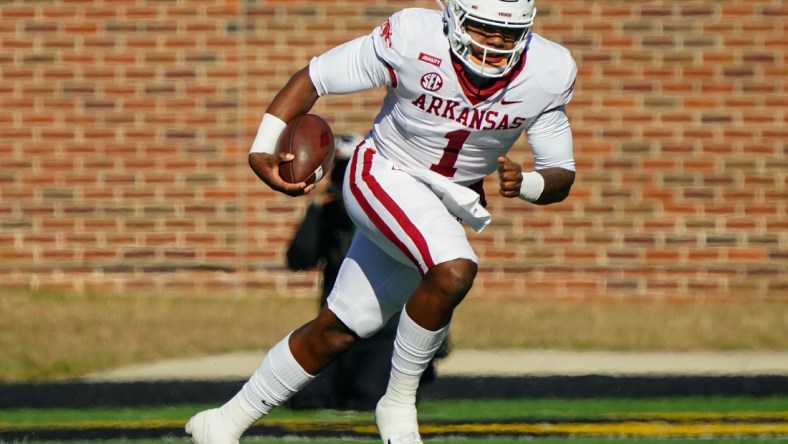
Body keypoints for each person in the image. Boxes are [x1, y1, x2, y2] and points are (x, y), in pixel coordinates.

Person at [186, 0, 576, 442]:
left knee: (338, 330)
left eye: (509, 33)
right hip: (383, 173)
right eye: (484, 28)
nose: (497, 43)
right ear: (453, 17)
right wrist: (262, 147)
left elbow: (561, 171)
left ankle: (224, 421)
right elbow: (315, 77)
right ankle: (398, 402)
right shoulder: (412, 38)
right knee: (454, 270)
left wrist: (527, 184)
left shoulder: (547, 70)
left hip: (444, 204)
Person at [284, 133, 443, 411]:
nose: (346, 182)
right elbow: (299, 258)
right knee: (307, 399)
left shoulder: (393, 212)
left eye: (351, 171)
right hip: (338, 330)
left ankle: (412, 373)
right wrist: (316, 207)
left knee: (369, 398)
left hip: (385, 333)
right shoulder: (329, 216)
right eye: (340, 172)